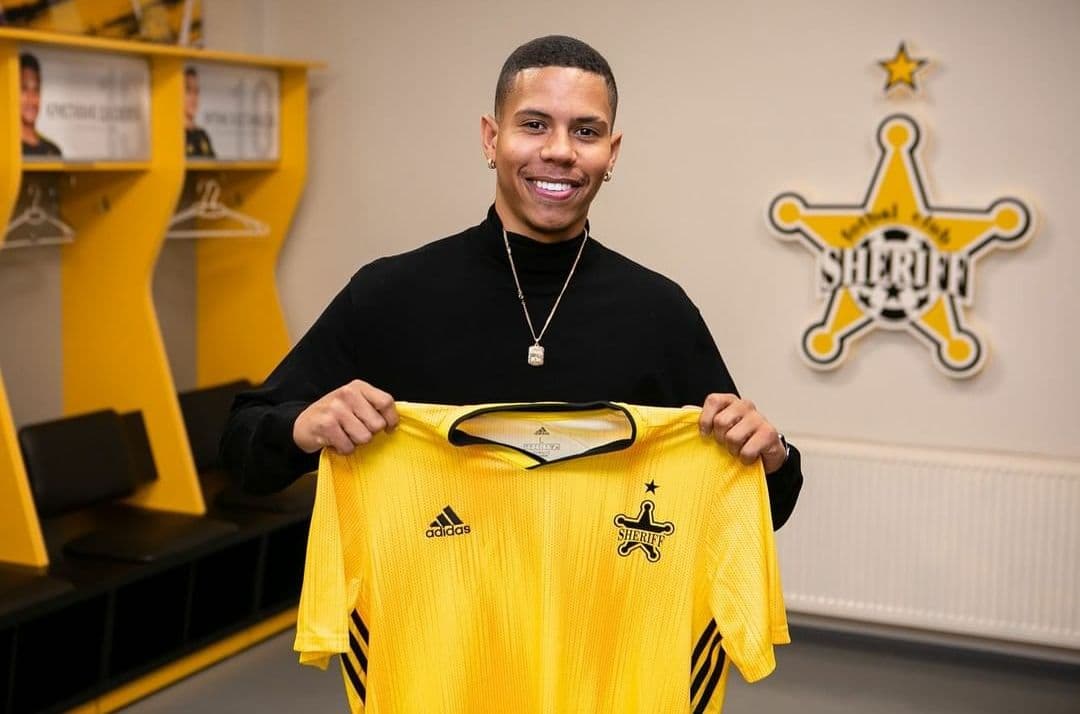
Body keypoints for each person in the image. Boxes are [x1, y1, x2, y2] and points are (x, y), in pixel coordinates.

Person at [221, 35, 803, 529]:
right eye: (534, 124)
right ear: (490, 138)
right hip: (431, 622)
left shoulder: (659, 312)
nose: (559, 151)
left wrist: (771, 456)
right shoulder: (389, 294)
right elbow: (241, 451)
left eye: (586, 131)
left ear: (612, 152)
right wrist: (301, 427)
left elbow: (760, 506)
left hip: (600, 623)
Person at [19, 53, 62, 157]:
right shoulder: (5, 149)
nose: (31, 98)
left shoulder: (53, 151)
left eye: (36, 90)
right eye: (24, 89)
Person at [183, 66, 216, 158]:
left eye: (196, 91)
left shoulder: (202, 135)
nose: (194, 98)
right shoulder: (173, 137)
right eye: (188, 91)